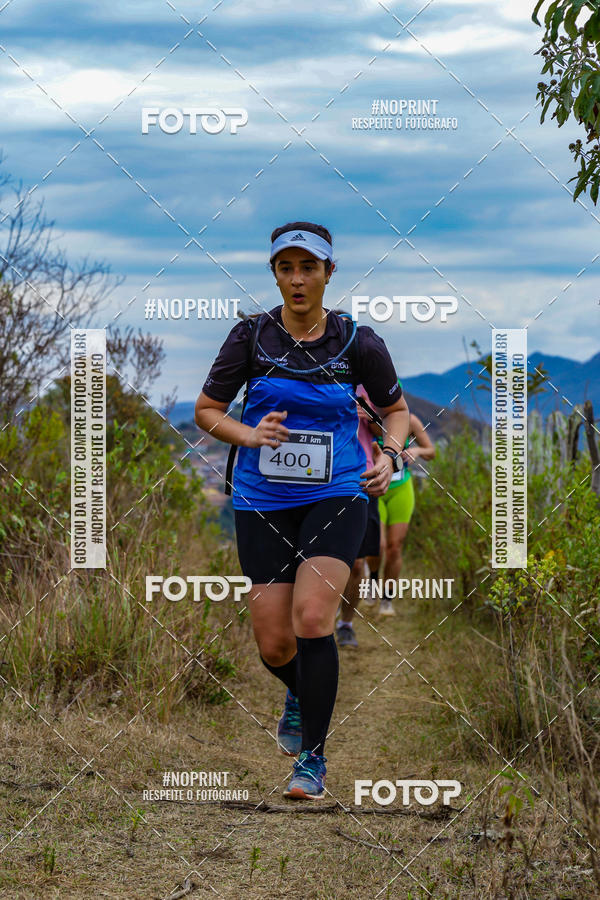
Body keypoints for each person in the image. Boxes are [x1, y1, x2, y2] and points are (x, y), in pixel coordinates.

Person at [194, 221, 409, 800]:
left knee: (313, 621)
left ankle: (312, 756)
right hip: (263, 497)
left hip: (337, 490)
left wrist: (390, 456)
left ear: (328, 273)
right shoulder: (250, 338)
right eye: (286, 268)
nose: (297, 279)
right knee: (274, 643)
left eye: (308, 267)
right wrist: (247, 433)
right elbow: (208, 410)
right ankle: (300, 691)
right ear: (274, 274)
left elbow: (395, 410)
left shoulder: (359, 341)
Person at [377, 407, 435, 615]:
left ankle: (386, 599)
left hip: (401, 488)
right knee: (379, 545)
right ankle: (372, 581)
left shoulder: (409, 421)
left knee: (395, 546)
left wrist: (416, 451)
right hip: (375, 489)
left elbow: (431, 452)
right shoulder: (365, 419)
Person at [335, 385, 381, 649]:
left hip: (360, 478)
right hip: (314, 480)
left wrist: (368, 412)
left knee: (356, 564)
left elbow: (383, 432)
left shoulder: (369, 380)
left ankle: (345, 624)